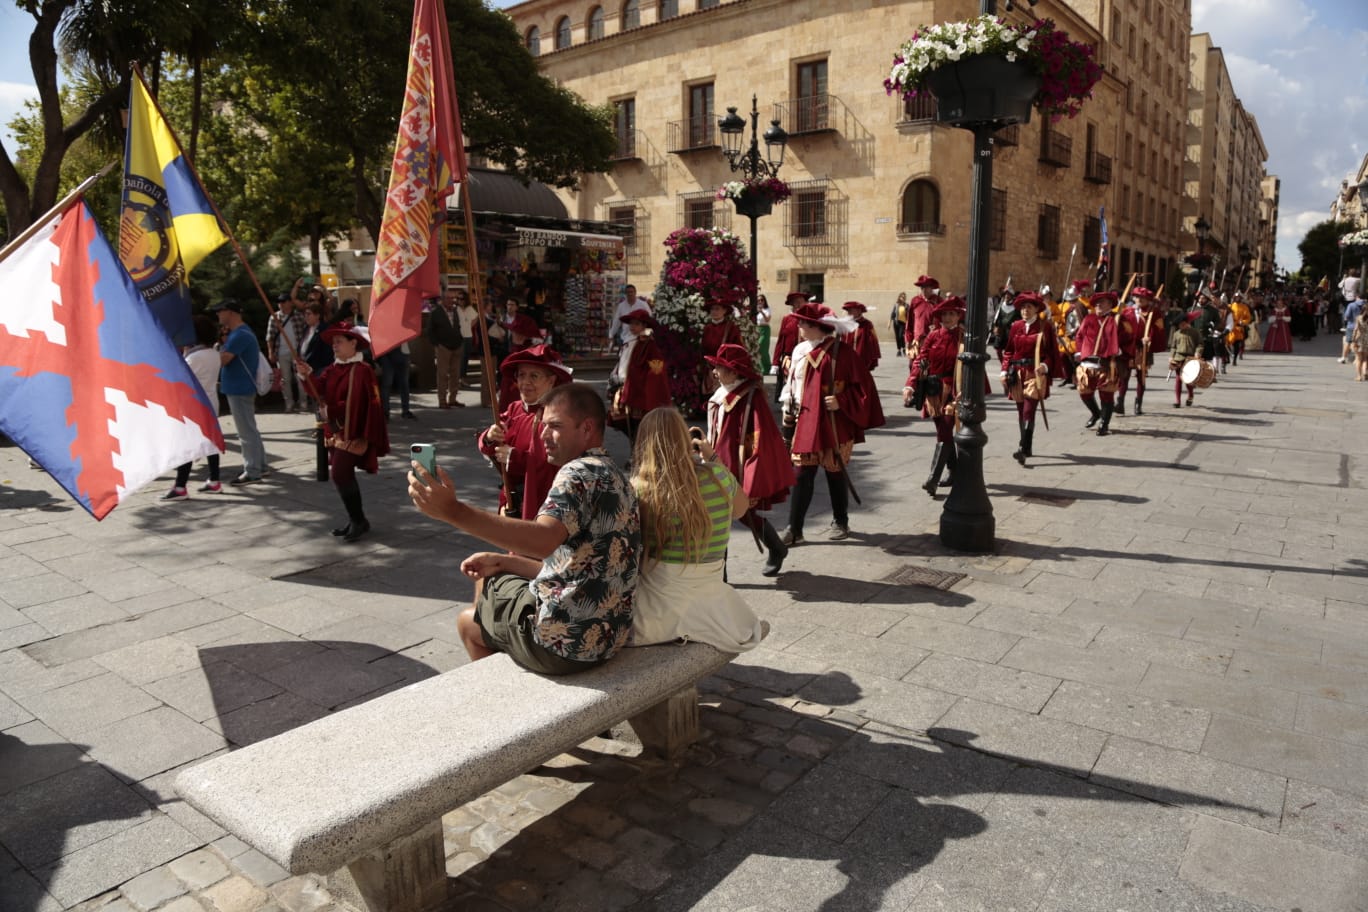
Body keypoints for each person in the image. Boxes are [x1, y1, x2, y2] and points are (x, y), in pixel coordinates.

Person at [408, 383, 640, 675]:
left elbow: (542, 541)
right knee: (495, 571)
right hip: (610, 637)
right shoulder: (615, 473)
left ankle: (505, 707)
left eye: (555, 425)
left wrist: (454, 512)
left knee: (469, 620)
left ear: (587, 428)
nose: (543, 434)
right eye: (542, 425)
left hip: (565, 648)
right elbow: (577, 566)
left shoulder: (576, 472)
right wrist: (505, 560)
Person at [630, 408, 763, 651]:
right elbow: (741, 510)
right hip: (713, 606)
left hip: (656, 613)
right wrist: (713, 459)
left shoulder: (638, 490)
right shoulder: (717, 476)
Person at [779, 303, 885, 542]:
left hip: (835, 424)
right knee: (802, 473)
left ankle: (841, 521)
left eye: (803, 322)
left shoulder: (843, 353)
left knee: (834, 471)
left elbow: (864, 388)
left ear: (817, 326)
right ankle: (794, 529)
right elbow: (792, 387)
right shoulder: (798, 351)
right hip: (805, 422)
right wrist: (789, 414)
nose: (799, 326)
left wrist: (841, 401)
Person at [704, 343, 795, 577]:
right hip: (714, 463)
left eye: (720, 367)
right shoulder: (721, 394)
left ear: (735, 372)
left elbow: (760, 439)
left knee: (732, 514)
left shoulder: (749, 398)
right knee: (729, 515)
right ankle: (774, 549)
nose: (715, 371)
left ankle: (720, 576)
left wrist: (752, 475)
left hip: (736, 467)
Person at [294, 322, 390, 542]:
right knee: (342, 476)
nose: (334, 346)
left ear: (353, 343)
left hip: (355, 430)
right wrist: (306, 374)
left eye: (339, 341)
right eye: (333, 342)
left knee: (340, 473)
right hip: (337, 430)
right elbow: (318, 390)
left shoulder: (363, 370)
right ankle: (357, 520)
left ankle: (358, 520)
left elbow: (358, 401)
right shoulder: (333, 369)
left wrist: (331, 409)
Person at [478, 345, 573, 519]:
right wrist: (490, 437)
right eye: (521, 375)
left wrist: (515, 458)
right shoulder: (514, 409)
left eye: (534, 376)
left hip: (543, 502)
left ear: (551, 381)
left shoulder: (558, 415)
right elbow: (489, 443)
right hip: (512, 499)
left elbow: (555, 462)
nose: (525, 382)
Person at [161, 315, 225, 500]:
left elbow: (180, 379)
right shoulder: (212, 353)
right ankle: (214, 480)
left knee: (187, 445)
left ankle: (180, 487)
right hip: (210, 401)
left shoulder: (195, 357)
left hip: (194, 405)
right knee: (210, 443)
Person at [998, 292, 1063, 466]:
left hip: (1036, 374)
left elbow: (1051, 353)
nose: (1025, 310)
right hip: (1017, 373)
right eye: (1023, 307)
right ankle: (1027, 446)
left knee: (1029, 409)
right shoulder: (1015, 326)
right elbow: (1009, 351)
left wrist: (1045, 366)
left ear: (1036, 309)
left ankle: (1022, 448)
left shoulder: (1045, 327)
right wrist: (1004, 371)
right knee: (1021, 411)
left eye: (1029, 307)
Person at [910, 296, 967, 492]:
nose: (948, 317)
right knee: (943, 433)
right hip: (933, 390)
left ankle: (933, 479)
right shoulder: (933, 336)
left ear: (959, 316)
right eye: (944, 314)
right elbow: (921, 360)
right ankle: (955, 471)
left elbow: (971, 368)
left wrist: (965, 391)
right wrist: (910, 385)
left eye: (952, 313)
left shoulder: (964, 338)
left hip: (954, 391)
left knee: (944, 431)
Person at [213, 299, 267, 485]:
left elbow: (224, 359)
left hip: (240, 388)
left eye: (220, 311)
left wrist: (210, 355)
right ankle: (260, 465)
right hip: (239, 387)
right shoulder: (240, 333)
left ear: (231, 312)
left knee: (245, 431)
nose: (218, 315)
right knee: (250, 428)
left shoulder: (240, 335)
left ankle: (252, 470)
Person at [609, 308, 671, 445]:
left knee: (639, 426)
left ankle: (640, 454)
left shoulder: (649, 345)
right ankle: (635, 452)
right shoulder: (629, 342)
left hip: (639, 393)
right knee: (623, 422)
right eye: (631, 324)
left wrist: (646, 384)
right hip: (624, 388)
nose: (632, 327)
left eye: (636, 324)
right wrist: (615, 376)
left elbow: (657, 369)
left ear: (644, 326)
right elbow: (623, 363)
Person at [1072, 290, 1124, 436]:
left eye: (1102, 302)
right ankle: (1096, 413)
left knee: (1106, 394)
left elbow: (1126, 336)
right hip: (1088, 362)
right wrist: (1079, 351)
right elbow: (1080, 336)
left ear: (1110, 305)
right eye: (1096, 303)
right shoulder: (1089, 319)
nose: (1098, 305)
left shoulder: (1116, 320)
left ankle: (1104, 424)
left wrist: (1119, 349)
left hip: (1107, 363)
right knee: (1084, 392)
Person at [903, 276, 942, 406]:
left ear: (932, 288)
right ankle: (915, 394)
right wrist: (908, 339)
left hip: (932, 341)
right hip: (916, 342)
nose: (925, 290)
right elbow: (910, 322)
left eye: (928, 288)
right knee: (913, 366)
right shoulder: (915, 301)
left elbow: (945, 320)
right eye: (922, 288)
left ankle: (928, 394)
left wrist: (937, 329)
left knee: (928, 369)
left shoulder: (939, 301)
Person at [266, 291, 307, 413]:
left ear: (290, 303)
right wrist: (270, 352)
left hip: (297, 351)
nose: (281, 304)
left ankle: (303, 403)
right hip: (281, 352)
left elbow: (305, 332)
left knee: (300, 378)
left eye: (283, 302)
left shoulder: (298, 316)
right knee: (285, 379)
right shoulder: (274, 317)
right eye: (279, 302)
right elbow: (270, 337)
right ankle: (289, 404)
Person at [495, 314, 545, 410]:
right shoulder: (514, 350)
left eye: (516, 332)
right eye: (513, 332)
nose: (513, 334)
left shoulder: (529, 353)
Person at [428, 287, 466, 408]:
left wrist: (461, 340)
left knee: (455, 374)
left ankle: (453, 399)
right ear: (442, 299)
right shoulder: (435, 312)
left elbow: (460, 326)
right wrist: (437, 345)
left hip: (457, 346)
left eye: (452, 298)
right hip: (443, 347)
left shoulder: (456, 311)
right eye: (448, 298)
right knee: (443, 375)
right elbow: (430, 331)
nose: (451, 301)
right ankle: (442, 400)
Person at [700, 300, 743, 397]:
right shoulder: (707, 328)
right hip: (708, 371)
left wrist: (726, 368)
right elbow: (702, 349)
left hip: (725, 370)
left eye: (717, 309)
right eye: (712, 309)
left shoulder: (731, 328)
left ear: (724, 311)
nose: (714, 312)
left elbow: (738, 350)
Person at [770, 291, 806, 403]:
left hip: (805, 357)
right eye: (796, 302)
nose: (799, 305)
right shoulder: (787, 319)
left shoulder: (809, 319)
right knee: (788, 383)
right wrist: (775, 363)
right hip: (788, 358)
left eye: (801, 302)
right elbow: (781, 341)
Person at [1169, 310, 1201, 407]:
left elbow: (1200, 344)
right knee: (1178, 379)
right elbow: (1173, 347)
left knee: (1188, 380)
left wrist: (1198, 352)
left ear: (1187, 323)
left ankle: (1190, 395)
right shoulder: (1176, 334)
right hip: (1179, 358)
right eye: (1180, 325)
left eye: (1183, 324)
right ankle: (1177, 401)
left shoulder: (1195, 332)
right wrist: (1171, 357)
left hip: (1190, 358)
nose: (1181, 326)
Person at [377, 341, 415, 421]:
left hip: (402, 351)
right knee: (387, 383)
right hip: (386, 351)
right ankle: (385, 412)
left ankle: (405, 411)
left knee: (404, 384)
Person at [841, 301, 880, 372]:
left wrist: (872, 357)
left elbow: (873, 341)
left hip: (862, 358)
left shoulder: (867, 324)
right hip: (846, 359)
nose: (848, 312)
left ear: (859, 311)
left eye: (851, 310)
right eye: (848, 310)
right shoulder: (845, 324)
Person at [609, 283, 651, 348]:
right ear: (625, 294)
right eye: (627, 292)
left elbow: (650, 320)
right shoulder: (621, 306)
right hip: (625, 337)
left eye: (631, 292)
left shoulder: (643, 304)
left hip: (640, 338)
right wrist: (611, 335)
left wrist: (647, 334)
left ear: (635, 292)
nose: (630, 294)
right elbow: (616, 321)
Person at [1341, 291, 1364, 366]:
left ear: (1357, 297)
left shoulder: (1351, 305)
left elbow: (1346, 316)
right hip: (1364, 327)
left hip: (1351, 326)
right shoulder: (1366, 305)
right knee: (1361, 343)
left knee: (1348, 342)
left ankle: (1344, 357)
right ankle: (1358, 358)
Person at [755, 294, 772, 374]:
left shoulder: (767, 309)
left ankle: (767, 369)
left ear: (765, 301)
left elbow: (767, 319)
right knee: (758, 350)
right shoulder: (756, 310)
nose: (760, 301)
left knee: (762, 349)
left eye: (762, 300)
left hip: (765, 330)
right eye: (758, 300)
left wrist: (761, 312)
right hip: (758, 330)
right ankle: (762, 369)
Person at [889, 292, 909, 357]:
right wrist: (889, 323)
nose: (903, 298)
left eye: (904, 297)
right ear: (899, 297)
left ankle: (903, 349)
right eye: (901, 297)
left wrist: (908, 323)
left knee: (901, 336)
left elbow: (909, 315)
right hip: (896, 323)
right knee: (897, 337)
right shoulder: (896, 305)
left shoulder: (907, 305)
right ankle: (899, 350)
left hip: (903, 323)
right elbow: (892, 314)